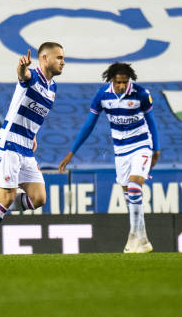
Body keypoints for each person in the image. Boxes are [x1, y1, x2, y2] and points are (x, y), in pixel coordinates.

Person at [0, 42, 65, 256]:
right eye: (59, 57)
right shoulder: (32, 76)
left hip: (26, 148)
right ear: (45, 58)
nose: (63, 62)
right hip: (9, 144)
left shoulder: (53, 88)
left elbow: (35, 113)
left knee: (38, 198)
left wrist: (34, 135)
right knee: (8, 197)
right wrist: (21, 67)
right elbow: (23, 76)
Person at [58, 62, 160, 253]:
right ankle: (143, 240)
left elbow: (151, 121)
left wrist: (157, 149)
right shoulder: (102, 96)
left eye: (125, 82)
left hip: (141, 145)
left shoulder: (141, 94)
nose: (122, 86)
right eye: (118, 82)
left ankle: (133, 236)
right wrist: (72, 152)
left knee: (135, 187)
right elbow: (89, 125)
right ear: (111, 80)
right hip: (121, 150)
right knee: (130, 196)